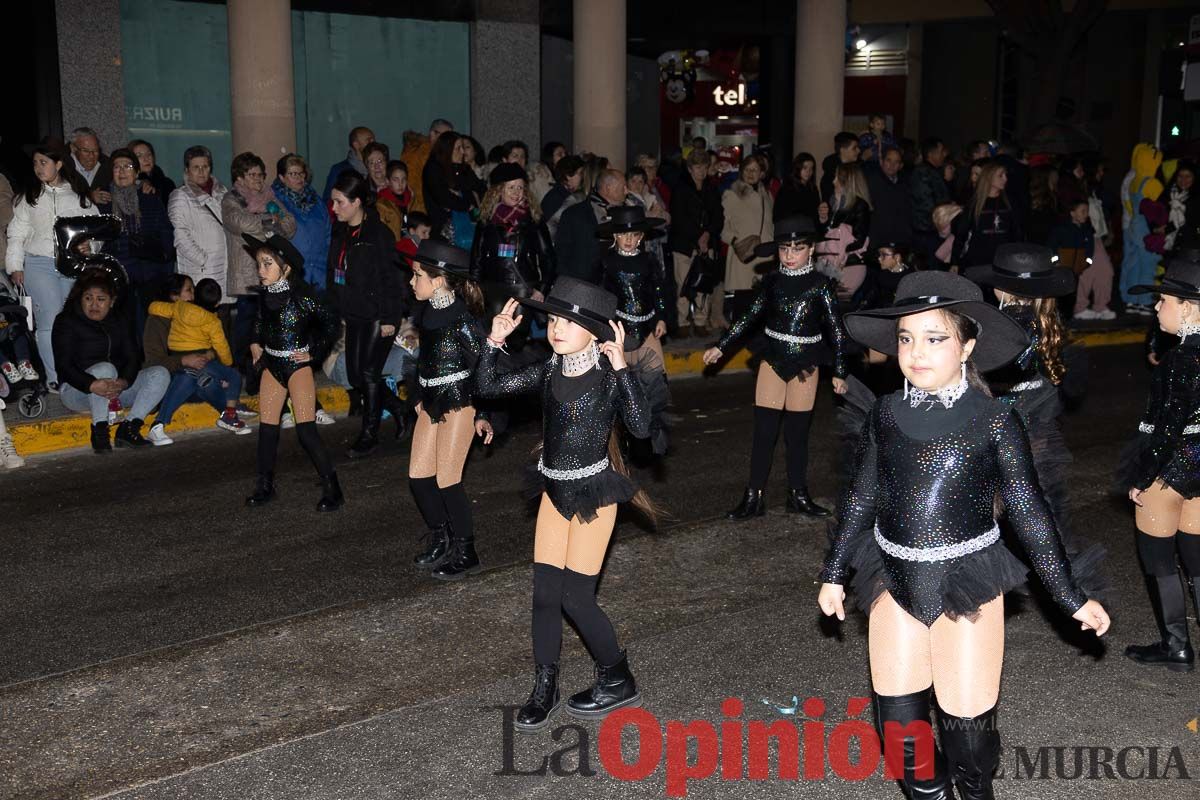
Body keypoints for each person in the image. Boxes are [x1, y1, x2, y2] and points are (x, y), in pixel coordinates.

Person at [819, 271, 1110, 800]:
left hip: (967, 584)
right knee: (902, 737)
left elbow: (1028, 512)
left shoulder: (996, 420)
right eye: (906, 338)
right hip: (893, 577)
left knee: (969, 746)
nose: (916, 352)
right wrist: (835, 573)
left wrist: (1070, 595)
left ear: (968, 345)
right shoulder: (885, 414)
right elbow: (861, 497)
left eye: (935, 338)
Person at [476, 279, 654, 731]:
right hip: (553, 491)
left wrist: (622, 371)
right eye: (553, 319)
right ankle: (545, 686)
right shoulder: (546, 371)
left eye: (569, 322)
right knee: (544, 595)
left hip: (595, 496)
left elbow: (641, 426)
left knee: (576, 598)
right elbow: (490, 387)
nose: (556, 328)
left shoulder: (609, 378)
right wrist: (494, 341)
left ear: (595, 333)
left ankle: (617, 676)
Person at [965, 245, 1107, 588]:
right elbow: (1067, 386)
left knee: (982, 512)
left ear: (1000, 288)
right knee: (1043, 513)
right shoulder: (1049, 322)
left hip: (1001, 429)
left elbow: (987, 376)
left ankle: (976, 587)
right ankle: (1072, 589)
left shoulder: (998, 327)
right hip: (1038, 429)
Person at [703, 216, 849, 519]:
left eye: (797, 249)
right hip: (772, 357)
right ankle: (753, 497)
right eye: (784, 249)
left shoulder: (821, 286)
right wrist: (721, 345)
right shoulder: (771, 282)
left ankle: (798, 494)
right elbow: (748, 318)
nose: (790, 256)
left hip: (806, 363)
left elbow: (836, 329)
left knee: (797, 435)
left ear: (811, 250)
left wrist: (839, 370)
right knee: (764, 432)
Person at [1121, 250, 1200, 672]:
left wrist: (1141, 475)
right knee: (1197, 559)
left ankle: (1177, 647)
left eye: (1164, 301)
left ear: (1187, 309)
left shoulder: (1180, 361)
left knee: (1159, 560)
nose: (1156, 308)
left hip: (1169, 475)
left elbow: (1166, 429)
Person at [405, 240, 492, 580]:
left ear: (438, 280)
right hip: (431, 400)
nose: (411, 283)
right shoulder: (426, 312)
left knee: (448, 479)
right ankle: (441, 537)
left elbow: (485, 365)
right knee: (418, 477)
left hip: (461, 400)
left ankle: (467, 550)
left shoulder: (463, 319)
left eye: (416, 276)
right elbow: (422, 360)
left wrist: (484, 412)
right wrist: (416, 393)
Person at [244, 234, 342, 510]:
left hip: (297, 367)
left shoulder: (303, 298)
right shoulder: (265, 295)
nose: (261, 271)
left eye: (267, 264)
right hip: (272, 366)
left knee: (306, 431)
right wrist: (254, 341)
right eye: (259, 264)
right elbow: (260, 322)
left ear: (285, 268)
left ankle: (333, 488)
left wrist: (314, 351)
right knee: (267, 429)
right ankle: (265, 485)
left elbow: (331, 323)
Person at [328, 171, 409, 456]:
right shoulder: (339, 231)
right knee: (356, 375)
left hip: (378, 313)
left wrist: (389, 318)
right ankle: (399, 408)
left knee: (369, 372)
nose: (334, 208)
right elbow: (335, 273)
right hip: (354, 312)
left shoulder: (379, 234)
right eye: (333, 202)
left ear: (357, 202)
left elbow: (392, 279)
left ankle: (369, 433)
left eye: (339, 202)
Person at [5, 143, 97, 389]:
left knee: (72, 320)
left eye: (43, 162)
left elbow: (95, 230)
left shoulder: (78, 197)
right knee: (50, 321)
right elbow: (16, 234)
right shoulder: (29, 198)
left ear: (58, 164)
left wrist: (92, 246)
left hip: (72, 265)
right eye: (35, 163)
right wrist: (15, 266)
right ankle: (56, 378)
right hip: (38, 263)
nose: (38, 168)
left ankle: (75, 373)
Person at [53, 269, 170, 452]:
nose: (94, 305)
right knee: (105, 369)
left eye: (101, 299)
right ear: (80, 298)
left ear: (112, 301)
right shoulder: (66, 321)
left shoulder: (120, 320)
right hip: (77, 391)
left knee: (160, 373)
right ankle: (100, 430)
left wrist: (124, 381)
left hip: (115, 390)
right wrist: (91, 384)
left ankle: (129, 428)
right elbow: (63, 366)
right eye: (88, 298)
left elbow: (133, 357)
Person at [143, 274, 249, 445]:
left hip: (196, 377)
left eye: (194, 290)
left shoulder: (194, 316)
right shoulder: (158, 322)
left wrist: (209, 355)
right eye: (189, 290)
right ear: (174, 296)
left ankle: (229, 416)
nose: (193, 296)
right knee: (192, 376)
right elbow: (153, 364)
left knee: (205, 380)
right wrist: (183, 360)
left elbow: (216, 347)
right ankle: (158, 425)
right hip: (170, 383)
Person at [598, 206, 670, 456]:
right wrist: (602, 328)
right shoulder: (606, 261)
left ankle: (652, 435)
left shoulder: (649, 260)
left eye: (635, 234)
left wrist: (661, 317)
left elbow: (659, 290)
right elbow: (601, 297)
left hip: (648, 326)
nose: (629, 240)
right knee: (622, 385)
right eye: (624, 234)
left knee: (655, 380)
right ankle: (621, 440)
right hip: (619, 330)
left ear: (642, 236)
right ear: (614, 236)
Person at [222, 152, 297, 375]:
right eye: (252, 174)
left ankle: (268, 365)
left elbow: (290, 224)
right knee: (246, 322)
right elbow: (241, 223)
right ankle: (244, 368)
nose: (258, 179)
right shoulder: (232, 199)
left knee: (270, 322)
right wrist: (270, 221)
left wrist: (273, 223)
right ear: (240, 177)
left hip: (272, 271)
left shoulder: (270, 196)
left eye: (261, 174)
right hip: (247, 273)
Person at [98, 148, 175, 345]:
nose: (122, 171)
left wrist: (163, 271)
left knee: (152, 332)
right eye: (117, 167)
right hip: (117, 277)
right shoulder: (102, 202)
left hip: (149, 276)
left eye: (128, 166)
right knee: (123, 333)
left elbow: (166, 235)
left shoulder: (150, 199)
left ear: (136, 171)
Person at [469, 163, 555, 330]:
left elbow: (548, 256)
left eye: (521, 187)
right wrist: (474, 287)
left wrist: (541, 289)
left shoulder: (533, 219)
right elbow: (477, 256)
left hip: (522, 287)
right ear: (499, 190)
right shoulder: (486, 220)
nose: (517, 192)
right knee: (492, 333)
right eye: (511, 187)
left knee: (517, 335)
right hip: (492, 287)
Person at [667, 150, 724, 337]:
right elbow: (679, 218)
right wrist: (699, 236)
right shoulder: (680, 189)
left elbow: (718, 216)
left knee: (704, 285)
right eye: (697, 167)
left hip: (707, 245)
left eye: (705, 166)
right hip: (684, 245)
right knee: (683, 284)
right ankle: (682, 321)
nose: (701, 170)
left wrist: (707, 234)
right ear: (690, 169)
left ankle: (700, 320)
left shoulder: (712, 189)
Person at [168, 145, 230, 301]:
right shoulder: (180, 196)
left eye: (205, 166)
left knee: (223, 318)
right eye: (196, 167)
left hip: (225, 267)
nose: (201, 171)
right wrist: (203, 260)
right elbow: (180, 236)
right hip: (201, 271)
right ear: (187, 170)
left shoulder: (222, 192)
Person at [720, 155, 775, 321]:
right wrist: (735, 242)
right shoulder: (732, 194)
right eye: (747, 169)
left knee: (761, 301)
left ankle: (756, 341)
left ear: (762, 173)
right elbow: (723, 226)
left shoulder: (767, 195)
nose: (750, 173)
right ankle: (738, 340)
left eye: (755, 170)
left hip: (765, 254)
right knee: (743, 301)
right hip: (743, 254)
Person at [555, 169, 627, 286]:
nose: (626, 191)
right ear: (608, 188)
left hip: (616, 284)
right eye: (623, 187)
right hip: (581, 286)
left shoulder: (626, 213)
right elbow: (561, 254)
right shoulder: (575, 214)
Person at [273, 154, 331, 288]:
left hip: (319, 272)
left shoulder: (317, 201)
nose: (299, 177)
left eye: (301, 173)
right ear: (282, 178)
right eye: (293, 174)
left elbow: (328, 233)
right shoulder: (274, 201)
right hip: (291, 272)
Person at [817, 162, 873, 297]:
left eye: (837, 178)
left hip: (850, 266)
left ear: (847, 182)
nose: (833, 181)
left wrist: (840, 253)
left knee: (840, 306)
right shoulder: (834, 203)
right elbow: (825, 234)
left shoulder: (860, 206)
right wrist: (823, 219)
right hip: (831, 265)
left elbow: (859, 240)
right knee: (830, 306)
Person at [952, 161, 1022, 269]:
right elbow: (962, 233)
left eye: (1005, 175)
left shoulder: (1010, 202)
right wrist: (955, 262)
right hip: (978, 261)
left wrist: (1018, 257)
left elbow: (1017, 232)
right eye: (1000, 175)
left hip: (1003, 261)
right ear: (989, 178)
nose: (1005, 179)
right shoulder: (975, 203)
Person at [422, 131, 473, 244]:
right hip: (443, 232)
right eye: (458, 148)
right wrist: (464, 204)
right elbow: (444, 198)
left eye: (463, 148)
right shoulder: (433, 169)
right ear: (447, 150)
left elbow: (471, 194)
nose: (463, 152)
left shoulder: (463, 169)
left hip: (463, 228)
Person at [910, 138, 952, 261]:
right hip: (927, 231)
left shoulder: (933, 172)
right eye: (941, 151)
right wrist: (947, 209)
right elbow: (927, 204)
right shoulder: (922, 173)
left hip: (934, 229)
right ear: (930, 154)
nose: (944, 155)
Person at [402, 118, 454, 213]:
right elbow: (415, 188)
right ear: (433, 134)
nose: (449, 142)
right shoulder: (420, 155)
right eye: (445, 137)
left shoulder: (439, 154)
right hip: (422, 212)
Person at [866, 146, 913, 249]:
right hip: (878, 238)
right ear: (882, 161)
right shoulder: (872, 181)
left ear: (901, 165)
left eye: (896, 162)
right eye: (889, 160)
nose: (892, 165)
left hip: (900, 238)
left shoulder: (905, 183)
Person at [322, 126, 375, 203]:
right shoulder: (339, 170)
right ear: (356, 145)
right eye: (369, 140)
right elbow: (329, 201)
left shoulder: (379, 167)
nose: (373, 143)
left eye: (373, 139)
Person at [541, 154, 584, 238]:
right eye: (580, 173)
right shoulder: (554, 198)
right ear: (568, 176)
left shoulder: (572, 194)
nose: (584, 177)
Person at [69, 127, 112, 204]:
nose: (91, 156)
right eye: (86, 151)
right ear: (73, 148)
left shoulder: (109, 166)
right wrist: (89, 196)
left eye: (95, 151)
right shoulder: (62, 168)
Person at [774, 152, 820, 224]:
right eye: (805, 168)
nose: (808, 171)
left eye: (811, 168)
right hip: (792, 230)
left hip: (810, 230)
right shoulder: (787, 188)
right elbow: (779, 215)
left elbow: (816, 215)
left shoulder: (813, 189)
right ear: (798, 168)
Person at [1164, 161, 1199, 254]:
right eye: (1180, 176)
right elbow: (1157, 211)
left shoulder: (1196, 197)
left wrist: (1166, 228)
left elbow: (1191, 221)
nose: (1183, 179)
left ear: (1194, 178)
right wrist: (1155, 228)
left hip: (1190, 249)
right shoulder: (1169, 193)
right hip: (1170, 246)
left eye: (1188, 176)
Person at [128, 139, 177, 206]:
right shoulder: (128, 182)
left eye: (149, 154)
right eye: (139, 156)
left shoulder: (167, 183)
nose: (146, 158)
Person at [376, 160, 413, 244]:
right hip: (394, 247)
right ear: (388, 181)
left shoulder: (412, 199)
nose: (400, 184)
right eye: (395, 180)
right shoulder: (382, 204)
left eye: (404, 179)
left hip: (412, 243)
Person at [820, 132, 861, 202]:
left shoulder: (860, 167)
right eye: (854, 148)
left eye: (858, 147)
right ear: (843, 150)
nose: (859, 151)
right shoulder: (830, 175)